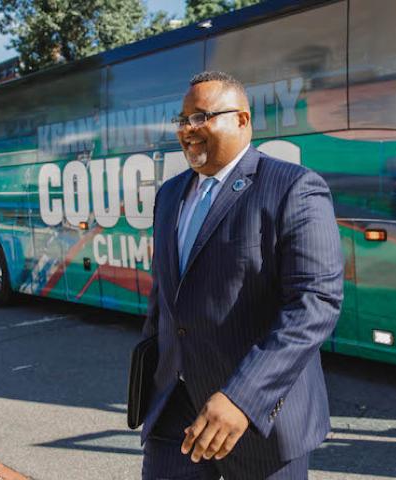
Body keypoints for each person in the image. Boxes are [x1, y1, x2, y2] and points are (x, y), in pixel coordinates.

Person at [141, 71, 344, 479]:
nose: (188, 130)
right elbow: (165, 296)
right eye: (182, 121)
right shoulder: (168, 195)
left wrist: (243, 396)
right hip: (174, 408)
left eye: (201, 117)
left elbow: (315, 302)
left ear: (242, 120)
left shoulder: (294, 187)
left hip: (259, 418)